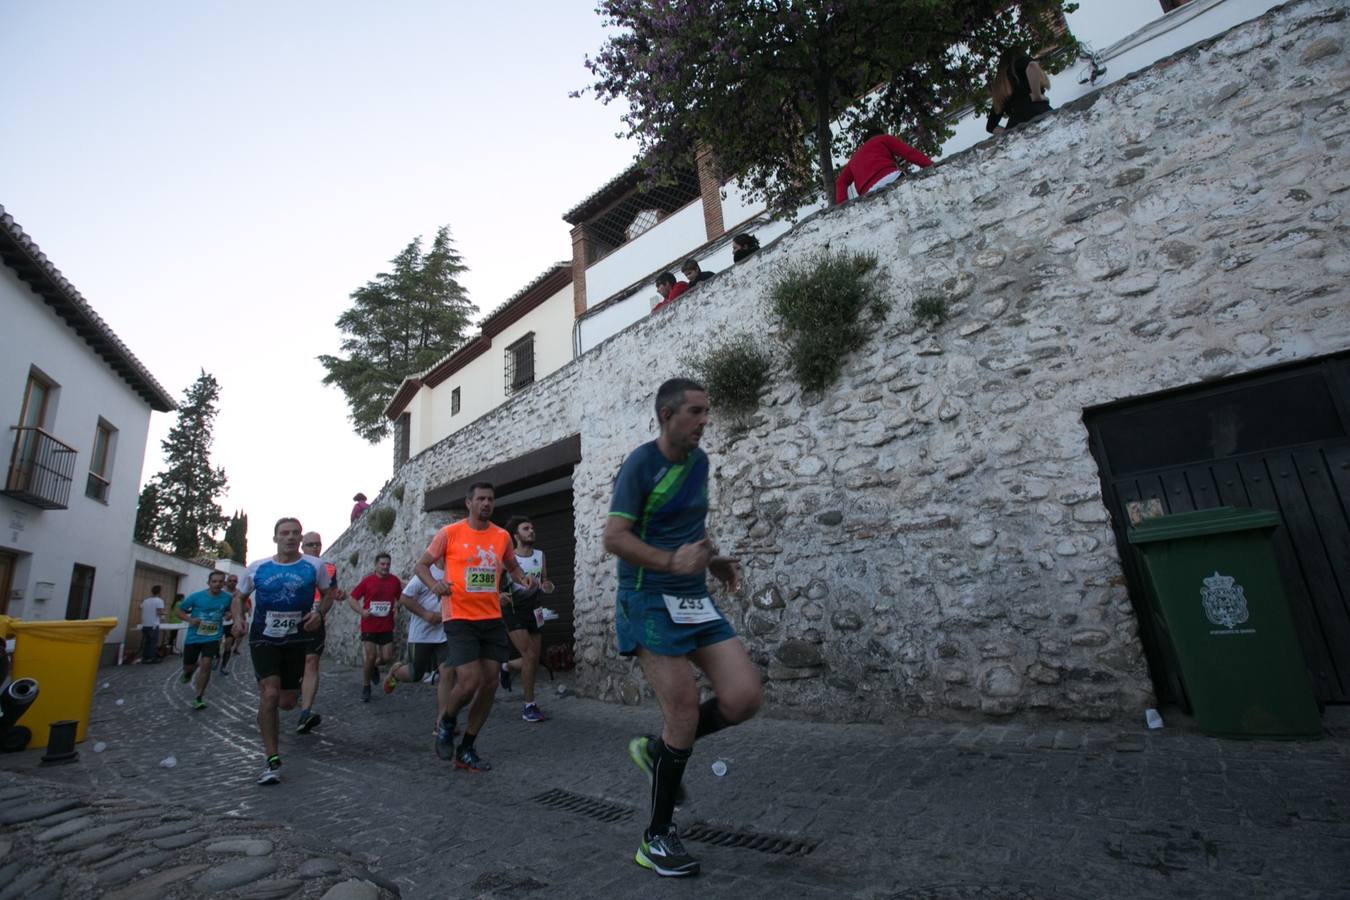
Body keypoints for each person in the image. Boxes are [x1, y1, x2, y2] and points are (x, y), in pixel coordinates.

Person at [604, 377, 762, 877]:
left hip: (692, 597)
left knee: (743, 698)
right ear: (667, 415)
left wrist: (711, 560)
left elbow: (694, 525)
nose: (704, 420)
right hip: (648, 598)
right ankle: (656, 837)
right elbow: (614, 537)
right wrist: (671, 563)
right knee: (684, 710)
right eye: (695, 411)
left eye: (706, 411)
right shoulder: (640, 464)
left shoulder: (699, 463)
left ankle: (658, 751)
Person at [414, 482, 534, 772]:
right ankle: (447, 721)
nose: (486, 503)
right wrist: (434, 585)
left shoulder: (502, 536)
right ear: (468, 503)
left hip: (491, 617)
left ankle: (467, 747)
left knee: (491, 681)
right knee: (469, 680)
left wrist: (521, 578)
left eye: (490, 499)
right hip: (459, 616)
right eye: (480, 499)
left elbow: (511, 565)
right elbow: (422, 565)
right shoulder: (450, 534)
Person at [232, 517, 332, 786]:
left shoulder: (315, 566)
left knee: (286, 702)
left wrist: (319, 613)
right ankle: (272, 759)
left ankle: (267, 714)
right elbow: (239, 597)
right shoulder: (258, 568)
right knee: (270, 693)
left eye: (295, 533)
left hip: (297, 639)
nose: (290, 537)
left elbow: (328, 593)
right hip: (263, 638)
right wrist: (239, 619)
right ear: (275, 538)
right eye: (284, 533)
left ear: (300, 539)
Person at [383, 565, 455, 736]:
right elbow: (405, 598)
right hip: (422, 634)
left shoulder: (456, 570)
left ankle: (442, 721)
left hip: (444, 632)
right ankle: (396, 672)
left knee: (447, 672)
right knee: (416, 674)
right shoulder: (426, 573)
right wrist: (426, 614)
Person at [498, 515, 555, 723]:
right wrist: (497, 596)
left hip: (536, 610)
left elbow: (545, 579)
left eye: (532, 528)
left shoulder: (540, 555)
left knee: (534, 659)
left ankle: (506, 666)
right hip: (513, 610)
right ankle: (529, 705)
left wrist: (547, 585)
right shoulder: (508, 558)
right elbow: (494, 585)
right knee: (529, 656)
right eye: (526, 528)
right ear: (516, 535)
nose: (531, 531)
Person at [296, 532, 339, 734]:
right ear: (302, 546)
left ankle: (305, 712)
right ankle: (293, 690)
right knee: (293, 667)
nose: (314, 548)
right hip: (290, 624)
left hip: (315, 622)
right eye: (310, 544)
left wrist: (320, 612)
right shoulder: (291, 566)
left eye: (317, 544)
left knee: (311, 662)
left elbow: (330, 594)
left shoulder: (329, 568)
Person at [349, 552, 402, 702]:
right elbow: (352, 598)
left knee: (386, 657)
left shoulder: (394, 581)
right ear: (376, 565)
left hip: (386, 625)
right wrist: (361, 611)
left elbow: (401, 597)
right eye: (382, 564)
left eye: (387, 564)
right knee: (371, 655)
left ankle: (372, 667)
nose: (385, 567)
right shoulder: (368, 581)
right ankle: (366, 686)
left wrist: (397, 607)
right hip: (369, 625)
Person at [834, 128, 934, 204]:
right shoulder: (883, 139)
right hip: (891, 178)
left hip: (868, 196)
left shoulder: (853, 159)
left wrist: (844, 206)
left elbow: (841, 182)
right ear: (880, 134)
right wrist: (932, 166)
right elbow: (909, 153)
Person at [177, 571, 232, 709]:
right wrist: (190, 620)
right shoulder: (196, 597)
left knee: (206, 664)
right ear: (209, 583)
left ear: (223, 583)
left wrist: (228, 614)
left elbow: (231, 610)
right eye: (214, 581)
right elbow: (179, 611)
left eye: (220, 581)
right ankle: (189, 671)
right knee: (188, 666)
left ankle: (198, 697)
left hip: (213, 636)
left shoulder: (227, 598)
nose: (217, 584)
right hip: (194, 637)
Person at [986, 49, 1052, 134]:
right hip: (1039, 114)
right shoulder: (1019, 63)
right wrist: (1037, 95)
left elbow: (990, 127)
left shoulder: (1002, 89)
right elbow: (1032, 66)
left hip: (1016, 126)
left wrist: (1010, 133)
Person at [218, 573, 241, 674]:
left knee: (228, 646)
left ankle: (223, 666)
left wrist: (234, 615)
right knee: (215, 644)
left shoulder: (239, 593)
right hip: (218, 622)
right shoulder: (221, 592)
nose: (232, 583)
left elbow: (241, 607)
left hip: (231, 622)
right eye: (230, 580)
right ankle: (216, 656)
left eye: (235, 581)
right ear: (227, 581)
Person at [139, 585, 165, 664]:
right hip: (153, 624)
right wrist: (164, 613)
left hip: (145, 624)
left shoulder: (146, 600)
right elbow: (159, 612)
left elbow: (140, 607)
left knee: (147, 642)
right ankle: (151, 658)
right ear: (160, 592)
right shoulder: (159, 600)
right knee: (153, 642)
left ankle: (145, 658)